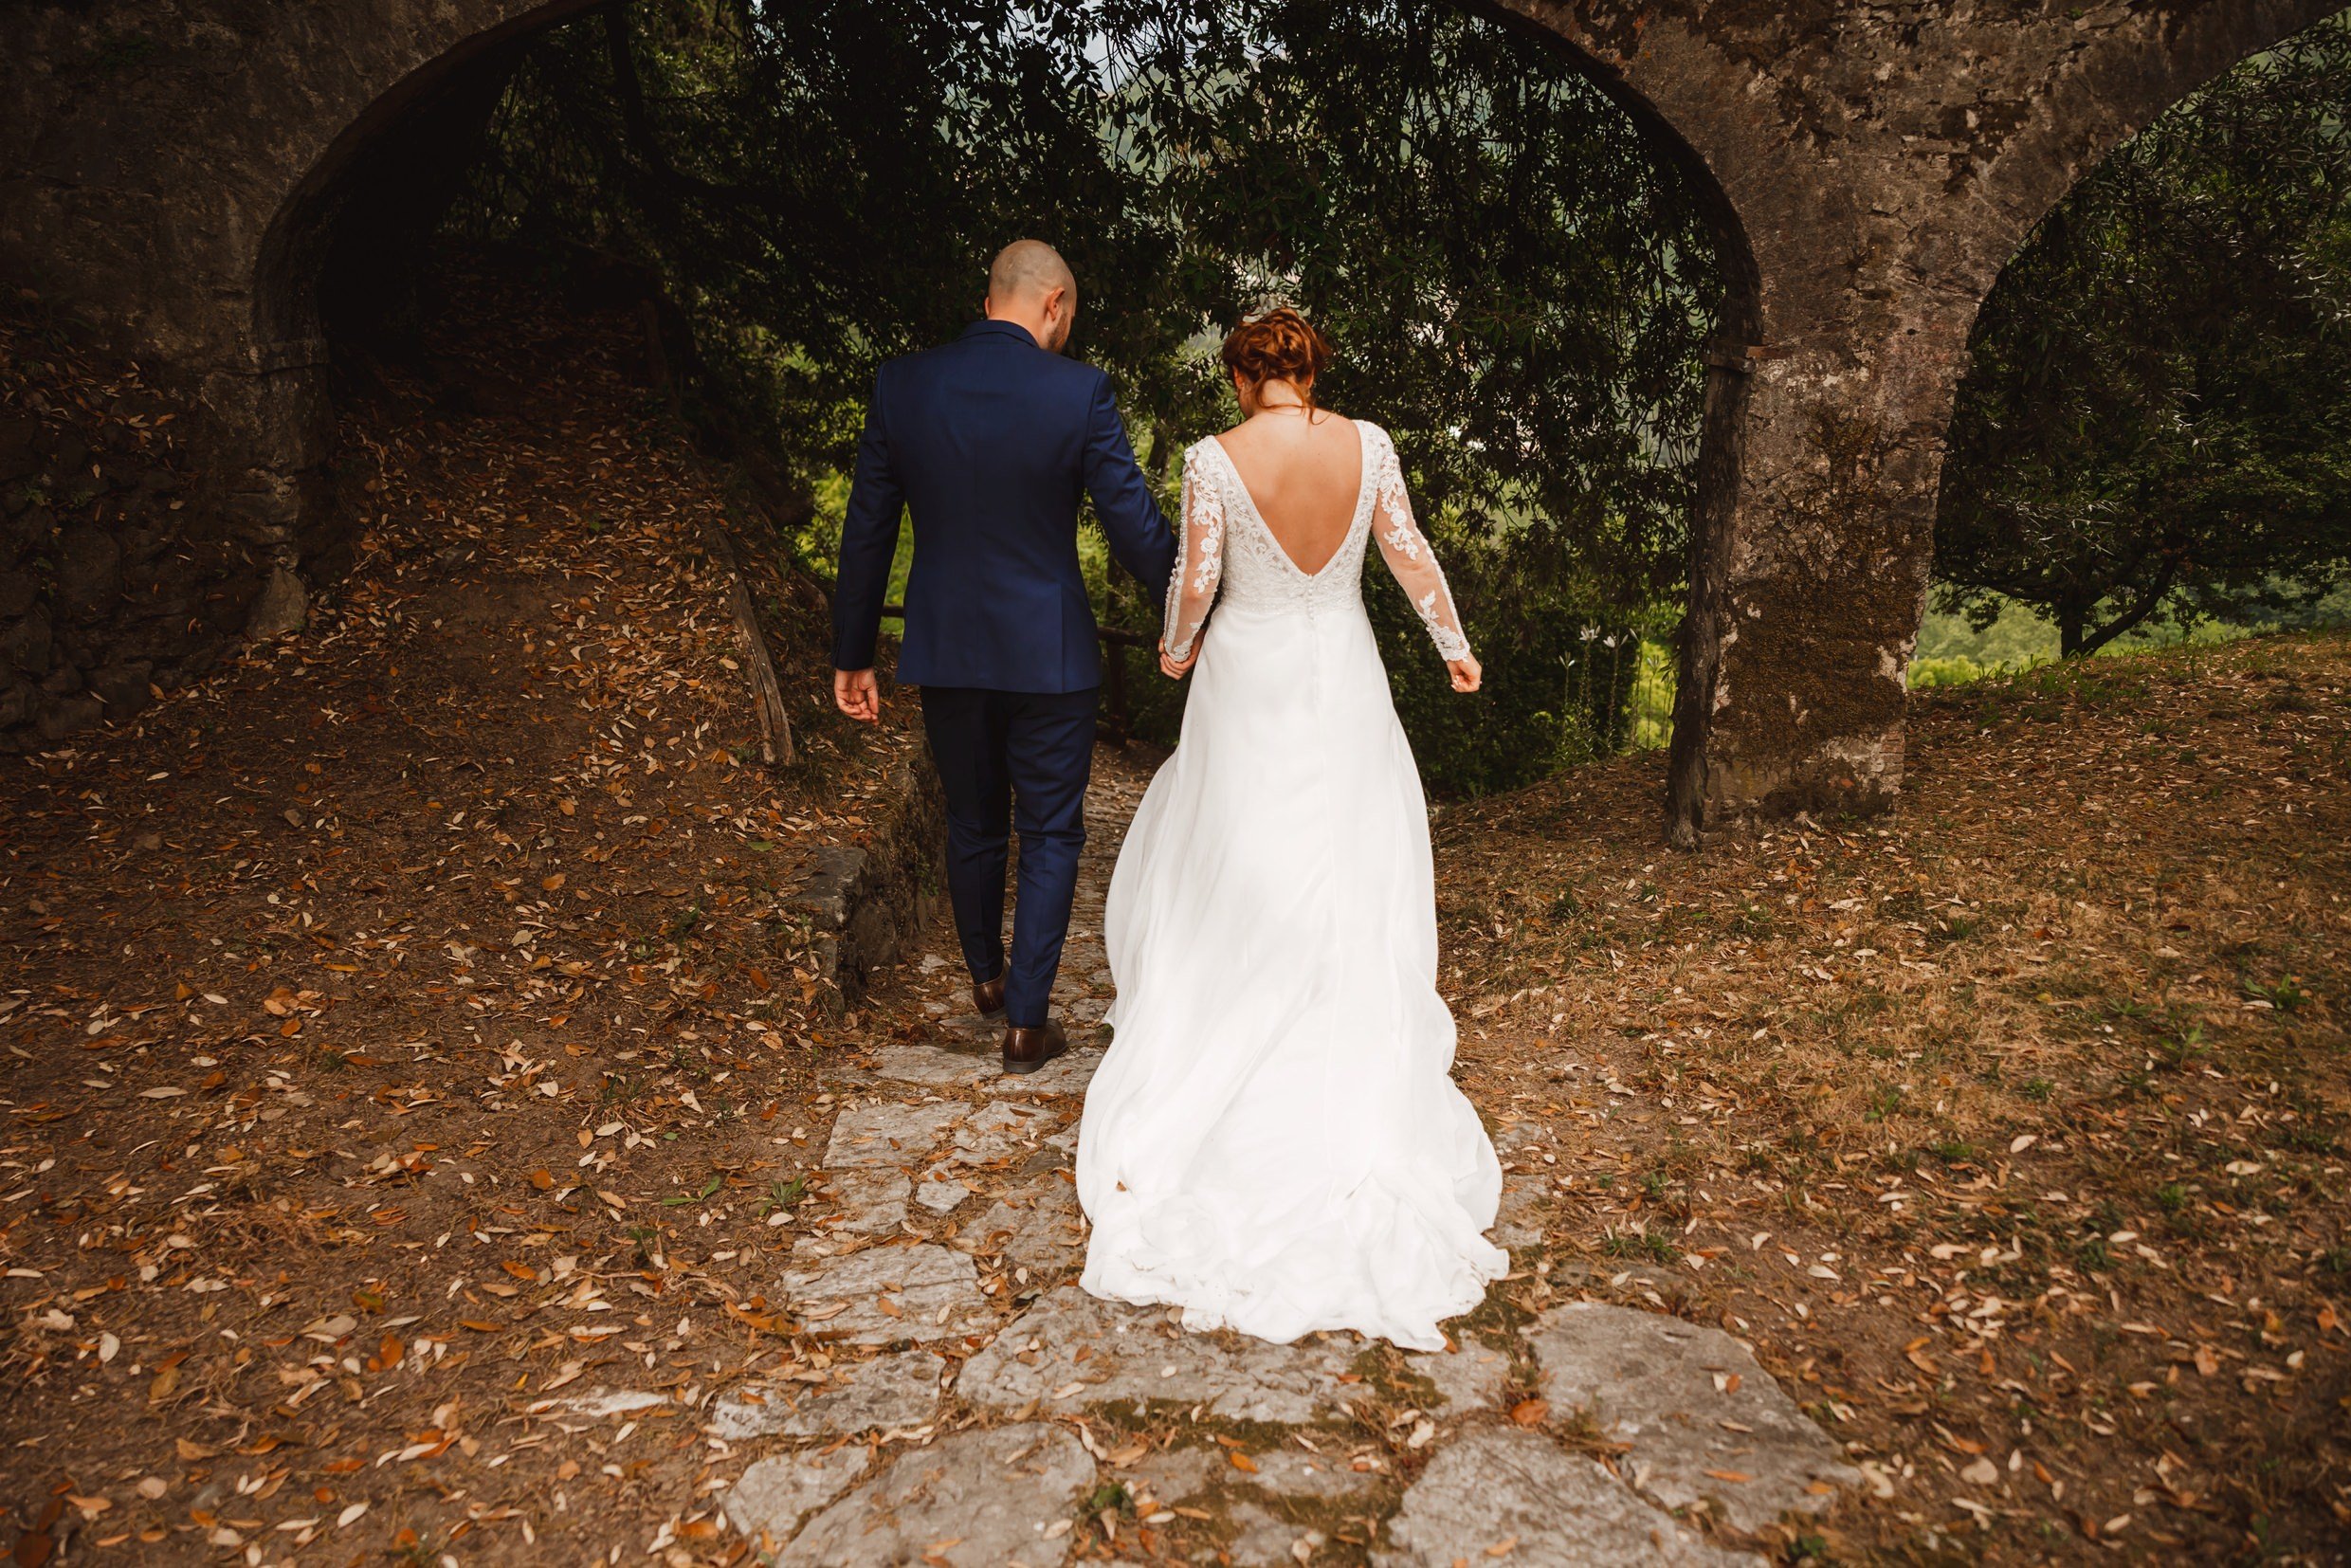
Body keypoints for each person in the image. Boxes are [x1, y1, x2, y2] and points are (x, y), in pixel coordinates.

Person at [1074, 306, 1505, 1351]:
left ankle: (1241, 1003)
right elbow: (1405, 552)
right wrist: (1452, 643)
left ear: (1240, 378)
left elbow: (1196, 578)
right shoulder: (1370, 446)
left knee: (1244, 849)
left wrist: (1176, 647)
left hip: (1250, 673)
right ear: (1311, 371)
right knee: (1345, 844)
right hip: (1341, 667)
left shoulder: (1212, 459)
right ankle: (1334, 1008)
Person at [831, 240, 1176, 1074]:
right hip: (1051, 653)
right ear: (1053, 304)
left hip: (946, 647)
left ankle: (985, 975)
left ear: (992, 299)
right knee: (1051, 830)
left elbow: (869, 523)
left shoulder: (904, 385)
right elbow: (1135, 529)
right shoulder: (1080, 392)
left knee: (971, 817)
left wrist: (853, 651)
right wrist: (1196, 602)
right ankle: (1027, 1021)